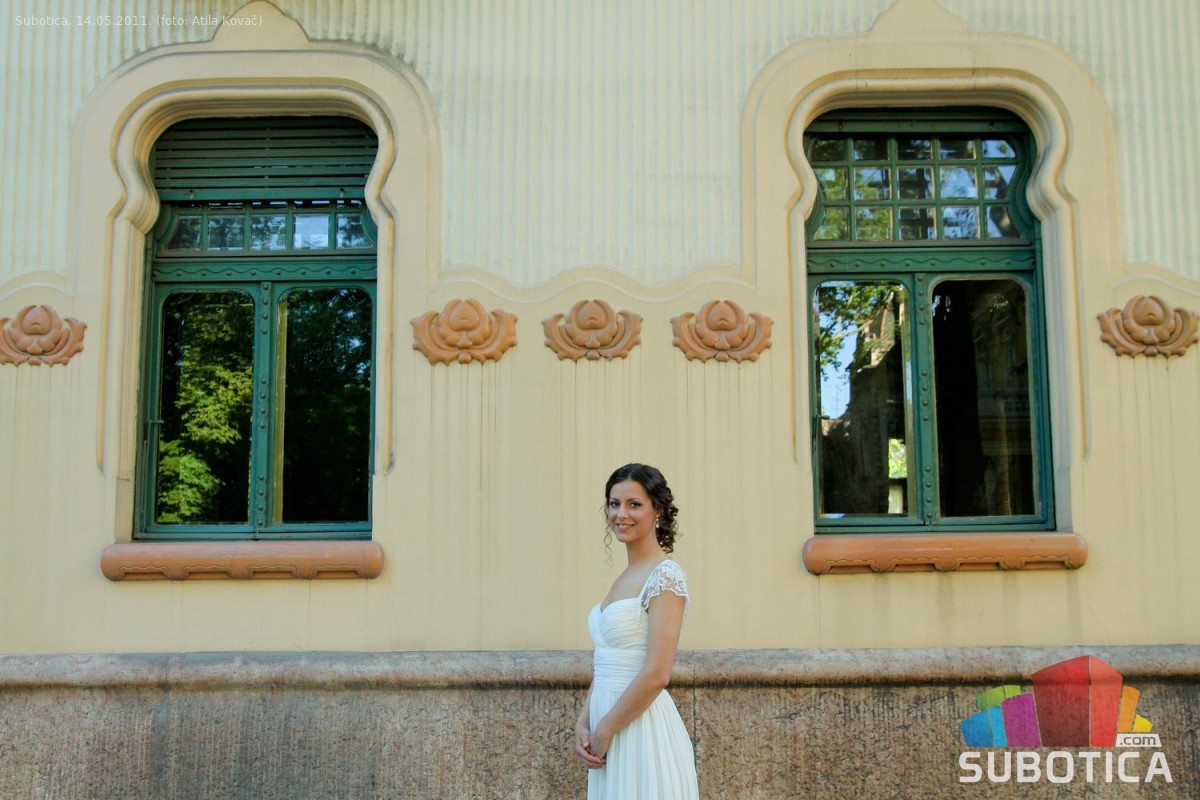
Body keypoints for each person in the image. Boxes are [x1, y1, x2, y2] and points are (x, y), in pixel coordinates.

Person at [575, 463, 699, 799]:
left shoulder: (665, 576)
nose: (621, 514)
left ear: (657, 509)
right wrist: (584, 721)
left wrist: (606, 727)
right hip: (606, 729)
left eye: (634, 504)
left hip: (641, 729)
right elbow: (607, 661)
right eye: (614, 504)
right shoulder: (625, 576)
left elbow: (658, 673)